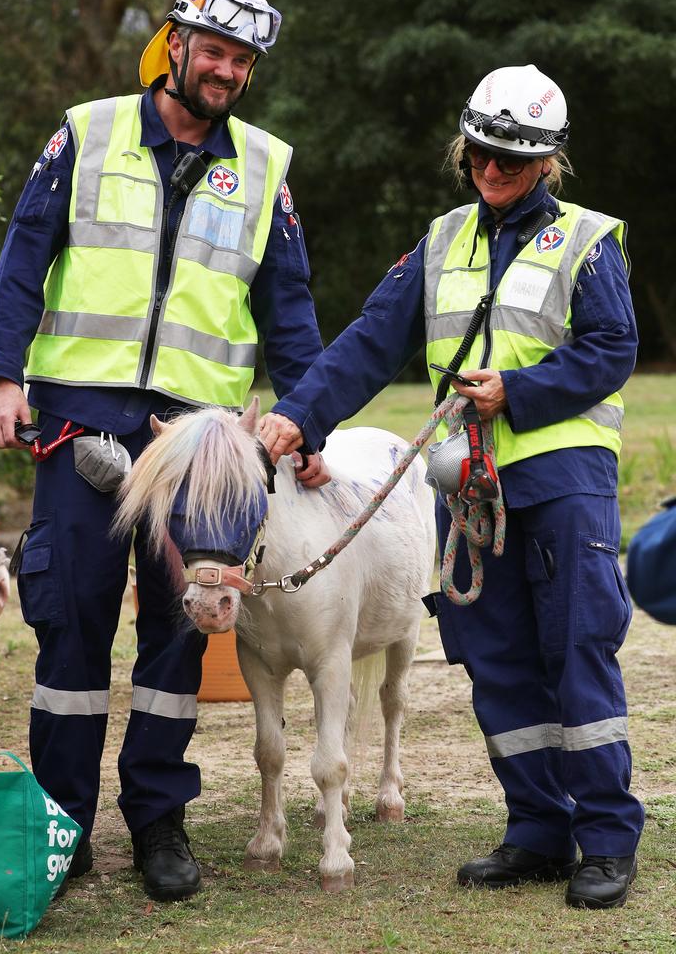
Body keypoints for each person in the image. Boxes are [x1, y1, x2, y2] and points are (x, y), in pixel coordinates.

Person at [0, 0, 328, 903]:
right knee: (74, 618)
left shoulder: (264, 168)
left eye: (242, 59)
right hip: (80, 418)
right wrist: (4, 376)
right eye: (214, 50)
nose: (227, 70)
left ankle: (158, 822)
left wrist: (309, 419)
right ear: (175, 44)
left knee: (182, 630)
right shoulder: (85, 133)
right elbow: (24, 254)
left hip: (200, 440)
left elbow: (289, 308)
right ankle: (62, 825)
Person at [259, 65, 643, 911]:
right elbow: (366, 343)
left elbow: (613, 346)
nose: (493, 173)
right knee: (497, 660)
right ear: (463, 149)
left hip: (562, 479)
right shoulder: (441, 242)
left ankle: (608, 839)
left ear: (548, 161)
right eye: (480, 156)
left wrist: (521, 391)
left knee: (574, 652)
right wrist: (298, 416)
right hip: (464, 485)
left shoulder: (587, 239)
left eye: (512, 161)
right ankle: (538, 831)